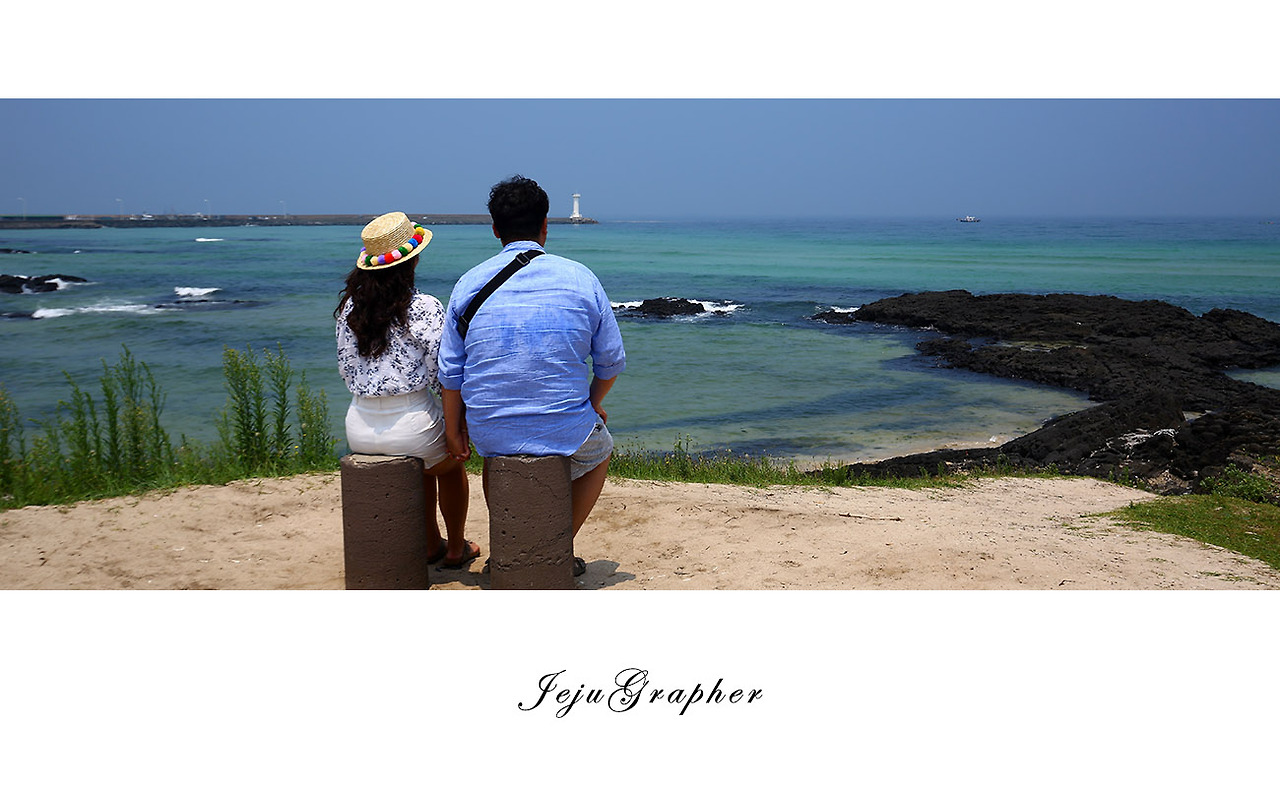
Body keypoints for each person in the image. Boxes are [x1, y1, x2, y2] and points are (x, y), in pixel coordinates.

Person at [438, 176, 625, 577]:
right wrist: (592, 404)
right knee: (600, 450)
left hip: (488, 428)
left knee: (496, 456)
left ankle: (510, 545)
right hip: (563, 423)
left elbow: (450, 372)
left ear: (495, 229)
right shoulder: (580, 278)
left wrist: (453, 429)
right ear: (545, 226)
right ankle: (554, 546)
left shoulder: (468, 283)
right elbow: (611, 361)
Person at [335, 211, 478, 569]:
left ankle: (429, 544)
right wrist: (457, 428)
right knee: (448, 467)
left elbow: (346, 368)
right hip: (412, 423)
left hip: (359, 426)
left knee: (425, 465)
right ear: (412, 260)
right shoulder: (423, 307)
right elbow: (444, 374)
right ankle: (456, 548)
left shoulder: (350, 309)